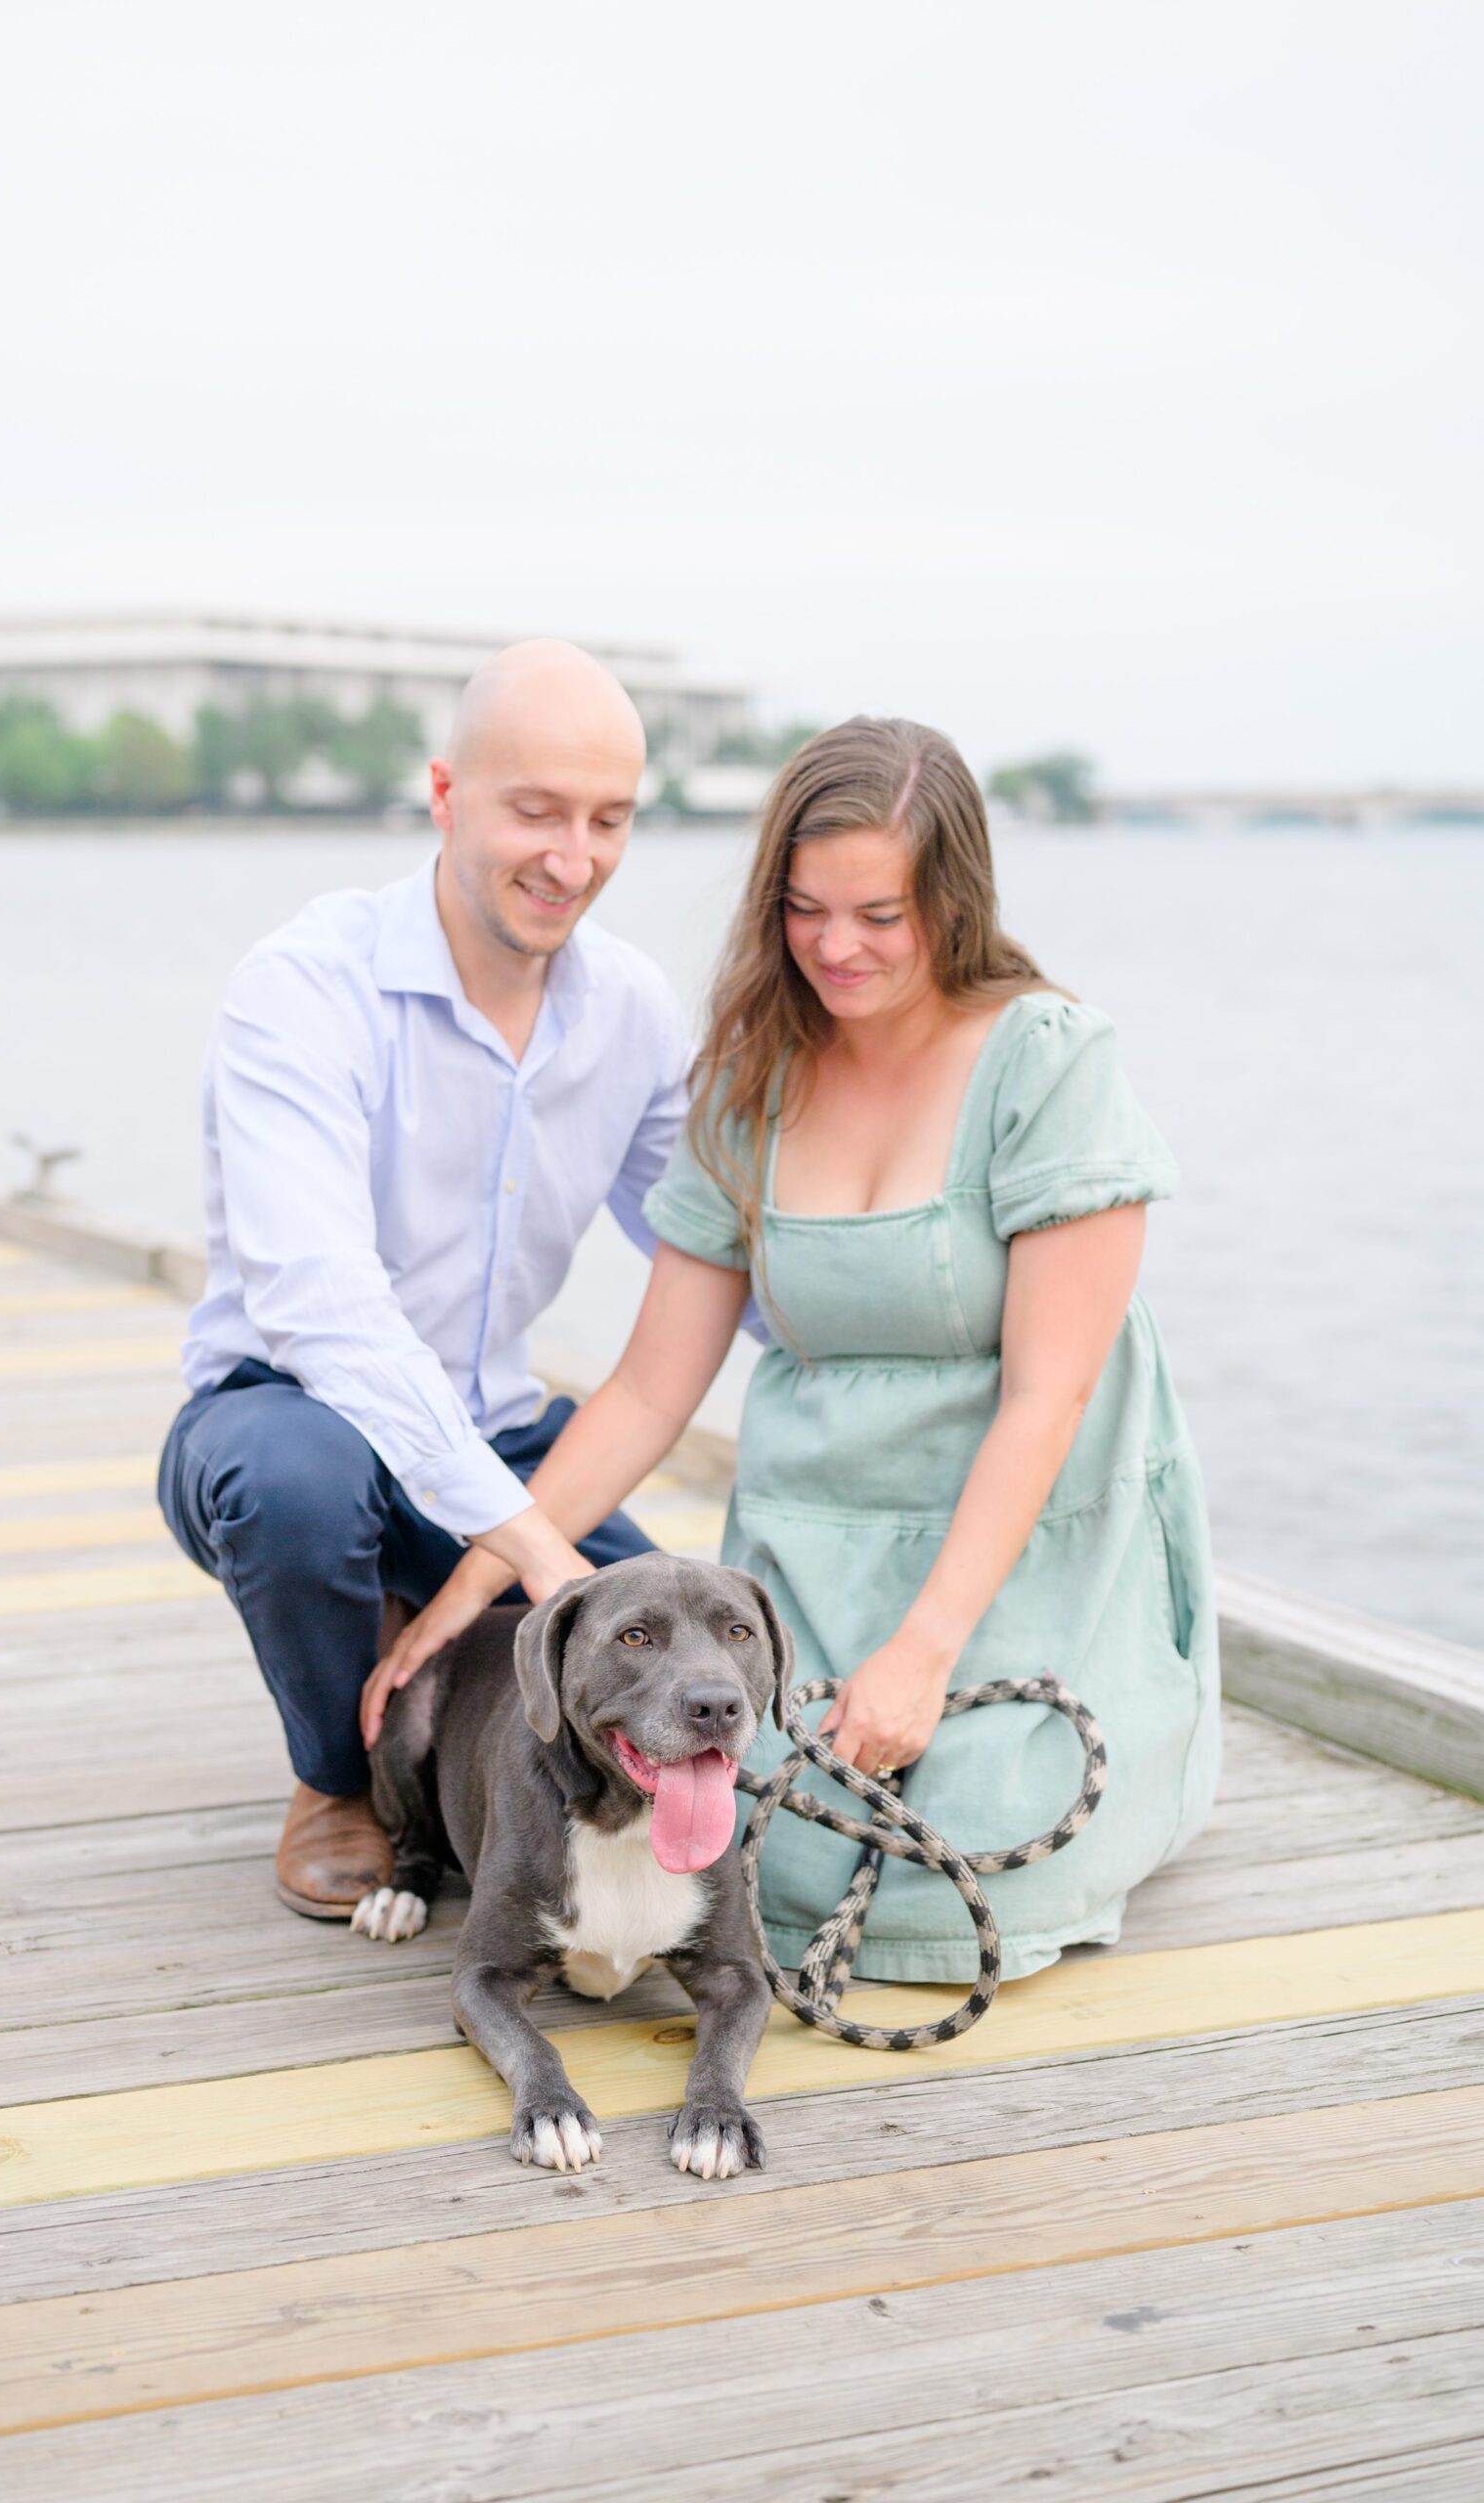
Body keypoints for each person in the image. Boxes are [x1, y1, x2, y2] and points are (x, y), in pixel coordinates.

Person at [375, 717, 1221, 1983]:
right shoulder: (750, 1077)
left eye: (880, 914)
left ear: (955, 901)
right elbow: (654, 1387)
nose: (837, 947)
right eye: (806, 909)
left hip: (1022, 1534)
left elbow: (1051, 1396)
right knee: (736, 1844)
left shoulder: (1050, 1064)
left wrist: (924, 1658)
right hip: (815, 1540)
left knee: (955, 1867)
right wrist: (466, 1597)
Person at [157, 640, 696, 1918]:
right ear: (447, 794)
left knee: (680, 1649)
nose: (574, 858)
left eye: (608, 819)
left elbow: (711, 1247)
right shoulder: (304, 988)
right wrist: (528, 1554)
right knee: (300, 1493)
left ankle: (433, 1648)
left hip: (499, 1438)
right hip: (286, 1412)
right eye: (537, 811)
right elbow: (322, 1308)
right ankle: (338, 1779)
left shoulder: (632, 1008)